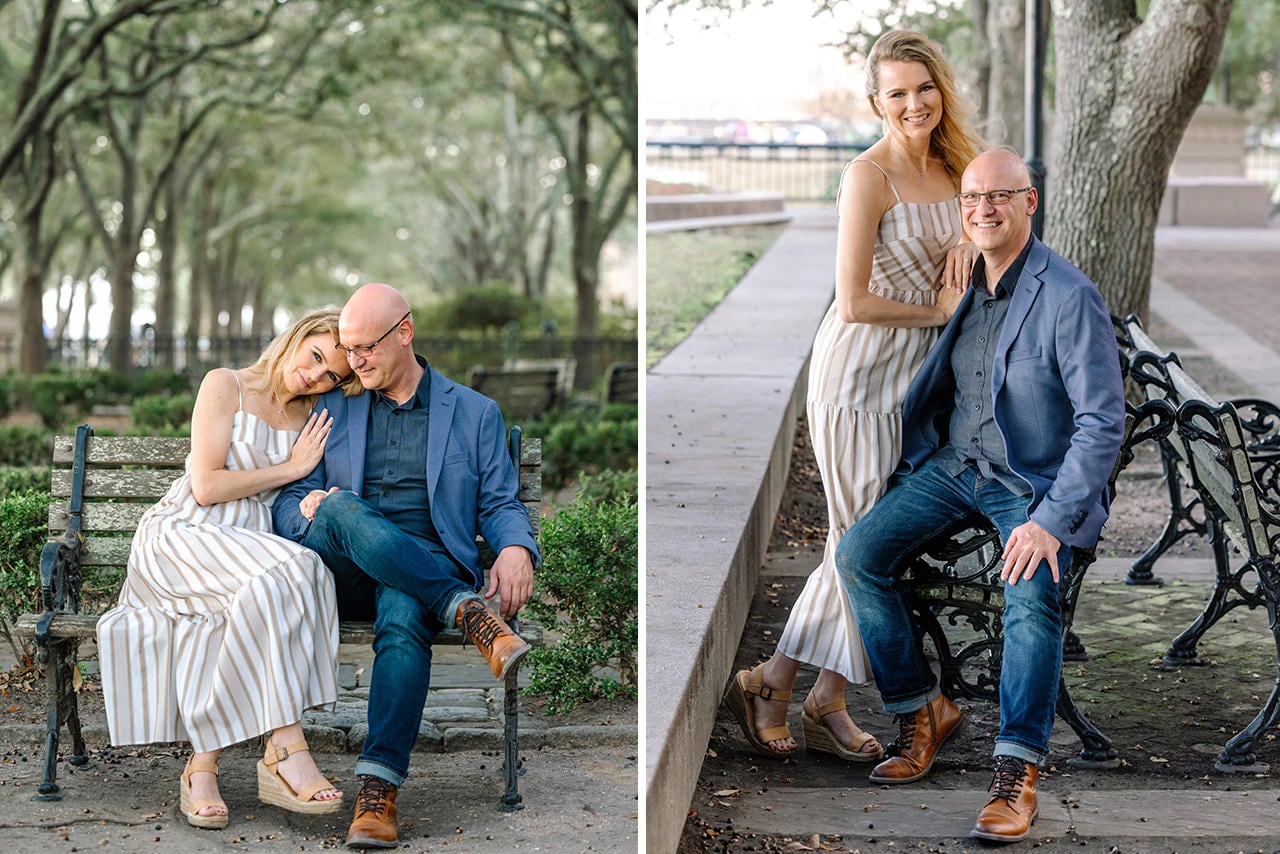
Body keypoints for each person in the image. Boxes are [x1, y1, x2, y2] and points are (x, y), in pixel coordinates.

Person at [834, 147, 1126, 842]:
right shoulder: (967, 276)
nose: (984, 208)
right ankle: (921, 710)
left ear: (1030, 202)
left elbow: (1102, 421)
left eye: (1000, 196)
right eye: (972, 197)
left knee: (1030, 592)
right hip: (955, 466)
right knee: (858, 556)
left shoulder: (1068, 295)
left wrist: (1050, 521)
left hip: (1030, 482)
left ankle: (1017, 771)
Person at [723, 29, 983, 763]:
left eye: (924, 88)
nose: (913, 104)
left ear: (941, 90)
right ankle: (790, 690)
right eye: (897, 93)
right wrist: (938, 313)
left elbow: (977, 243)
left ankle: (801, 692)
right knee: (859, 542)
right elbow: (854, 300)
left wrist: (971, 245)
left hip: (916, 384)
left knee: (869, 546)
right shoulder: (868, 177)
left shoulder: (956, 167)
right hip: (858, 379)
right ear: (876, 102)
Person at [271, 282, 539, 850]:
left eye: (365, 347)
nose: (354, 361)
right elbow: (288, 501)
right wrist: (309, 508)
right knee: (341, 505)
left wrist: (516, 547)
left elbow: (499, 502)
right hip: (345, 574)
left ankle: (378, 791)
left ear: (405, 333)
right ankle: (465, 609)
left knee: (402, 607)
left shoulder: (473, 412)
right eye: (348, 348)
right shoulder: (333, 407)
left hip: (421, 571)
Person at [97, 309, 364, 829]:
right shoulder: (226, 385)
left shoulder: (316, 414)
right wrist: (291, 468)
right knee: (293, 570)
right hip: (183, 534)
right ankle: (286, 750)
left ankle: (201, 769)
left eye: (331, 375)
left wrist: (316, 494)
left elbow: (320, 482)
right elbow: (206, 486)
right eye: (315, 356)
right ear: (297, 335)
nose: (315, 376)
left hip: (249, 545)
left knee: (277, 586)